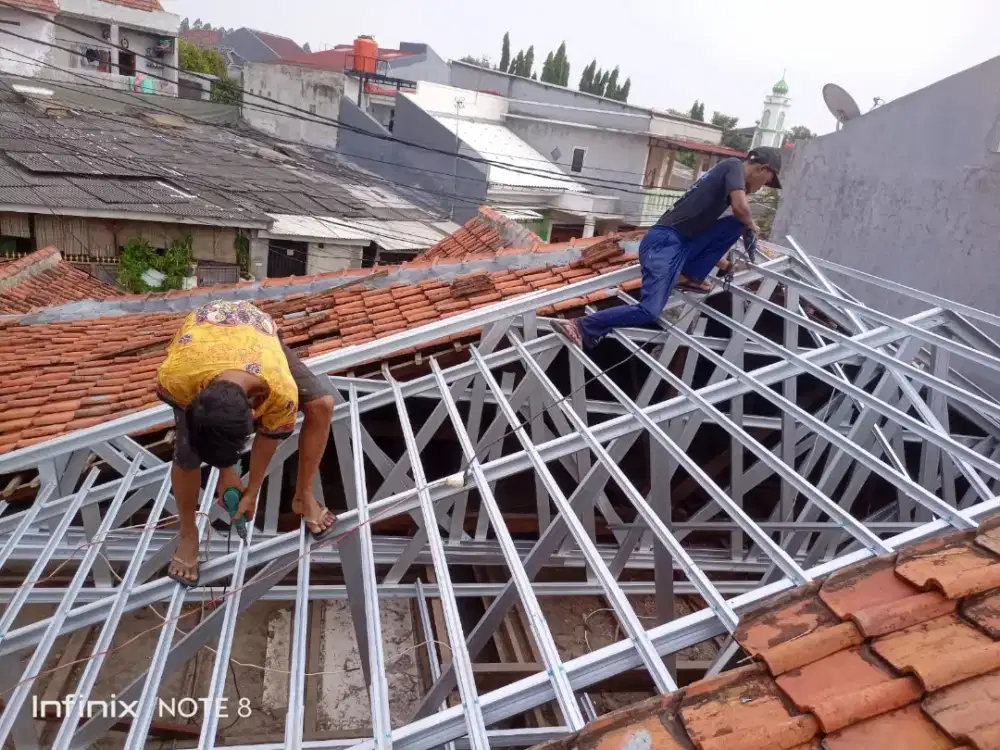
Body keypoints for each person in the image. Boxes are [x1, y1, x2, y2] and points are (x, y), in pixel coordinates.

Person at [156, 300, 336, 586]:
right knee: (187, 452)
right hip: (203, 333)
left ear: (254, 412)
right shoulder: (177, 377)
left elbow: (269, 436)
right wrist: (227, 471)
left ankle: (303, 496)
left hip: (256, 328)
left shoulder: (279, 391)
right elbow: (203, 432)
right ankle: (188, 533)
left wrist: (252, 490)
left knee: (323, 404)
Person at [554, 147, 783, 349]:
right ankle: (581, 325)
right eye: (768, 181)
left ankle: (689, 276)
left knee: (735, 224)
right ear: (762, 169)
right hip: (663, 243)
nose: (763, 188)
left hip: (681, 245)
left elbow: (710, 236)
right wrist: (752, 225)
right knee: (649, 311)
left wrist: (728, 265)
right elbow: (741, 209)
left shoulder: (720, 191)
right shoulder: (733, 166)